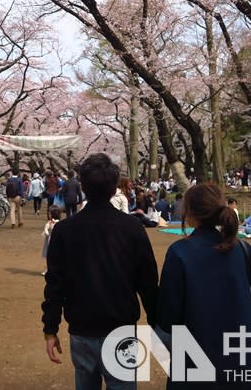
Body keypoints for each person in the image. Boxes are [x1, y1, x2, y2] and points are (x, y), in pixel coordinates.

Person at [42, 153, 158, 388]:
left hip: (82, 328)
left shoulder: (64, 230)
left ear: (83, 186)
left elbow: (55, 283)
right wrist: (157, 323)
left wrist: (50, 329)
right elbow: (148, 283)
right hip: (121, 328)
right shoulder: (132, 228)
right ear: (115, 187)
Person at [156, 183, 251, 389]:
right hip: (239, 357)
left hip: (194, 357)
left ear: (189, 212)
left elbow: (168, 314)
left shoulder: (179, 252)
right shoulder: (242, 249)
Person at [41, 205, 62, 275]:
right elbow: (46, 229)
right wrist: (46, 232)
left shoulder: (59, 223)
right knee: (49, 255)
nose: (48, 214)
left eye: (49, 213)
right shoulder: (49, 223)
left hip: (56, 241)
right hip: (49, 241)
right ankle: (48, 269)